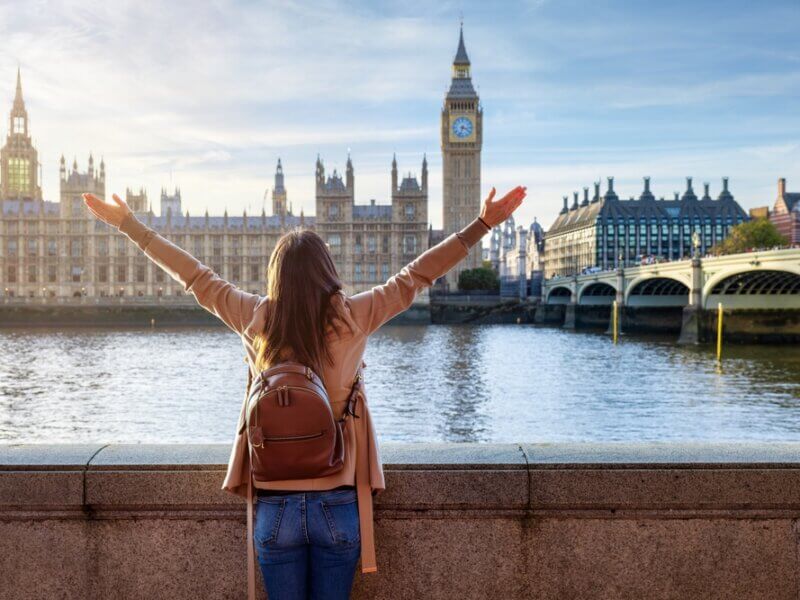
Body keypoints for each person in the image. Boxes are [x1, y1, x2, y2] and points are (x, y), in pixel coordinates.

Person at [82, 184, 526, 600]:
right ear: (327, 271)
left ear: (275, 275)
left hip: (275, 506)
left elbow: (196, 277)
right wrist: (482, 224)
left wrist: (130, 226)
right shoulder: (354, 316)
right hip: (339, 502)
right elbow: (415, 277)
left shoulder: (255, 318)